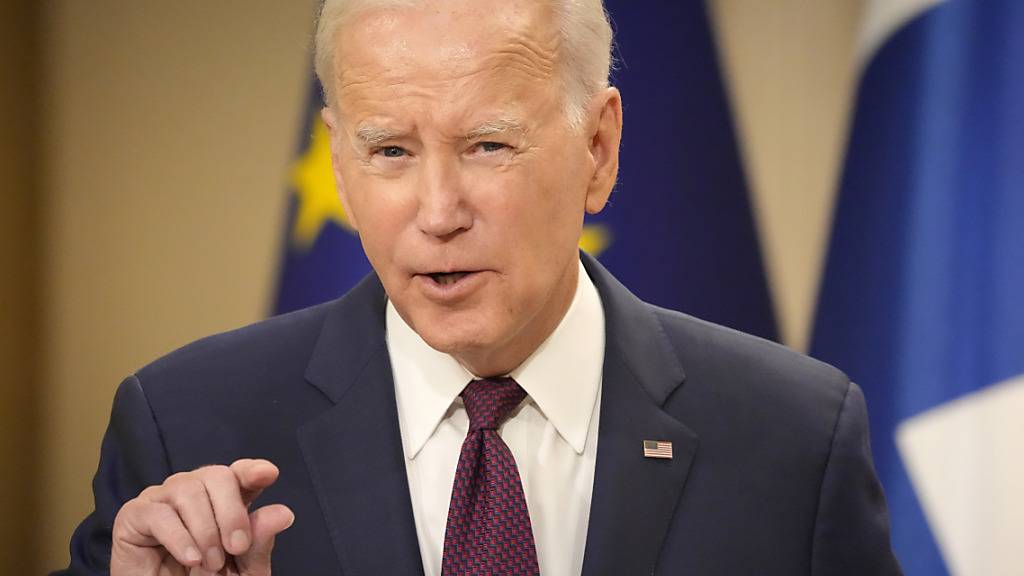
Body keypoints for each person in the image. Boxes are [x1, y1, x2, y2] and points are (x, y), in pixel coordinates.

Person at [56, 0, 902, 574]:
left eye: (488, 146)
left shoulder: (796, 437)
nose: (437, 212)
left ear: (599, 149)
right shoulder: (182, 425)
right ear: (341, 164)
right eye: (389, 150)